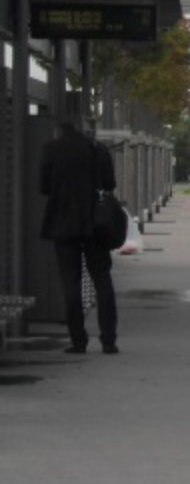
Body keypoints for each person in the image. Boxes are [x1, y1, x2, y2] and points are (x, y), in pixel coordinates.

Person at [39, 121, 120, 354]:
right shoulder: (98, 150)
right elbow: (110, 184)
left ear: (61, 129)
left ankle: (78, 341)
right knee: (102, 280)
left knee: (70, 283)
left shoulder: (51, 149)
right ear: (84, 129)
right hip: (95, 224)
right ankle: (108, 341)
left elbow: (44, 187)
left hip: (63, 224)